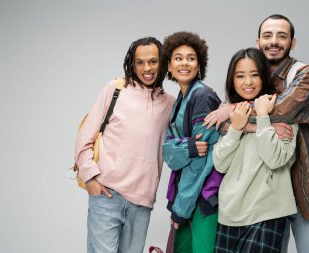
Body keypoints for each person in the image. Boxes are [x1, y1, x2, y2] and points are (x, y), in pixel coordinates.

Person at [205, 14, 309, 253]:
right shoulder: (252, 78)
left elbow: (283, 111)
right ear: (258, 41)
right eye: (267, 35)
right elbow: (223, 126)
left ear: (292, 43)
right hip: (261, 196)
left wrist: (232, 111)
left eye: (281, 36)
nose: (273, 41)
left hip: (305, 186)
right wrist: (252, 123)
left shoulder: (307, 75)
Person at [74, 37, 175, 253]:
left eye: (153, 61)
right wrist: (90, 178)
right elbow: (85, 138)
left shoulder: (170, 103)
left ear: (163, 63)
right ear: (132, 64)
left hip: (142, 203)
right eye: (140, 62)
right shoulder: (115, 89)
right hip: (107, 195)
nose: (146, 68)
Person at [213, 47, 298, 253]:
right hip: (230, 211)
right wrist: (236, 128)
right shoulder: (230, 111)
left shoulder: (283, 109)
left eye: (255, 74)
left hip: (267, 211)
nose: (248, 82)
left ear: (264, 75)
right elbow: (220, 164)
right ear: (231, 80)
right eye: (240, 76)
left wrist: (263, 117)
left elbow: (275, 159)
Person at [161, 31, 223, 253]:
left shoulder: (202, 97)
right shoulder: (180, 100)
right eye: (178, 58)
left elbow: (201, 163)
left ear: (199, 66)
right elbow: (168, 153)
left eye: (191, 58)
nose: (184, 63)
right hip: (188, 196)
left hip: (204, 196)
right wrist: (188, 147)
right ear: (169, 66)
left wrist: (181, 209)